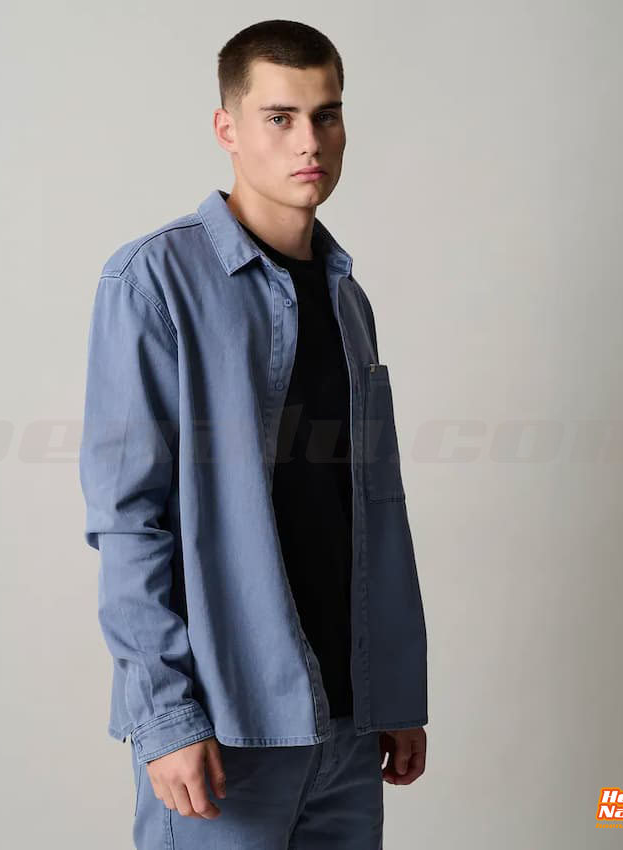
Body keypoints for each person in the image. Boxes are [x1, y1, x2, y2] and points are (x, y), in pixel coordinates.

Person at [79, 19, 428, 849]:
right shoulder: (155, 280)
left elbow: (367, 507)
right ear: (227, 128)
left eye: (326, 115)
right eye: (280, 117)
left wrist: (391, 692)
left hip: (347, 727)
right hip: (224, 732)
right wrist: (166, 716)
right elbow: (129, 518)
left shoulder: (348, 299)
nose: (310, 141)